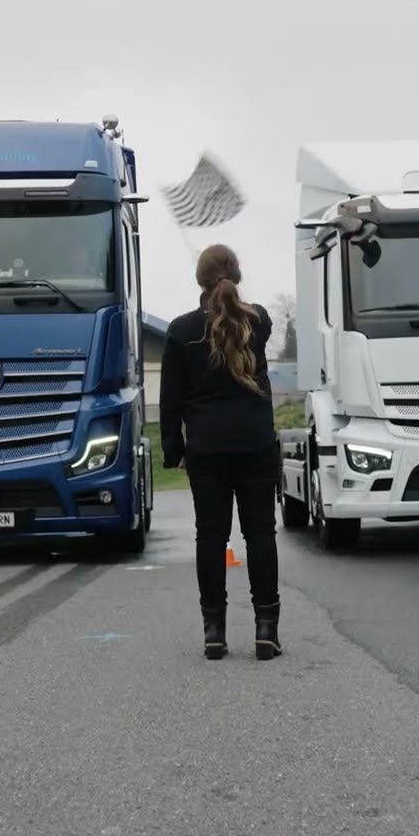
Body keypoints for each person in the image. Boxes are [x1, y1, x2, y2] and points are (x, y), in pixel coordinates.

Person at [159, 244, 282, 661]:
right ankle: (266, 628)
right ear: (237, 276)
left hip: (207, 446)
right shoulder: (259, 320)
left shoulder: (181, 330)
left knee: (211, 537)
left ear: (200, 280)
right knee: (260, 533)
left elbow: (170, 399)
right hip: (255, 441)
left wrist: (173, 449)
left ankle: (214, 632)